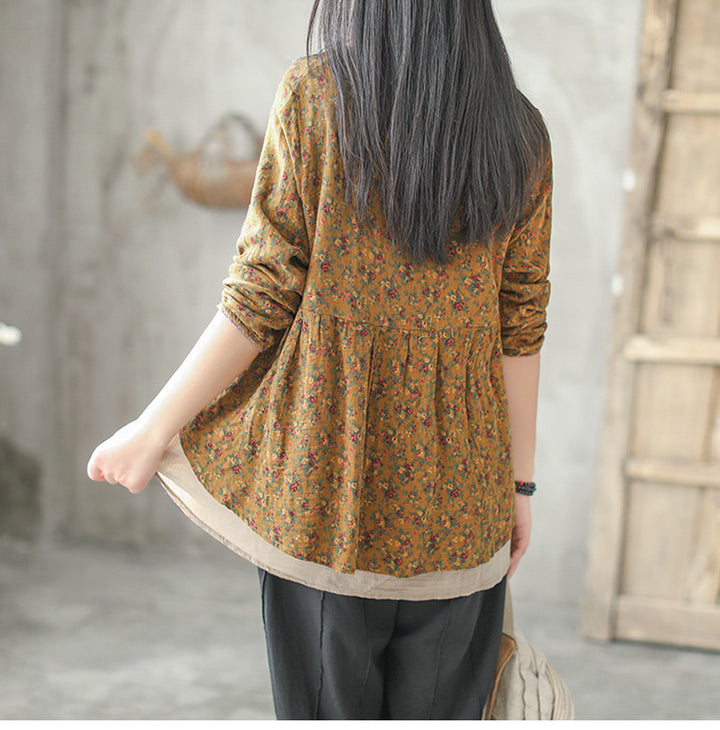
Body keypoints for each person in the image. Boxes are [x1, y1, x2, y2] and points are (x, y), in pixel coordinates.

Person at [87, 0, 552, 720]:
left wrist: (153, 430)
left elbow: (261, 293)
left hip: (325, 491)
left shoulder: (316, 98)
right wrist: (518, 486)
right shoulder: (521, 134)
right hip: (463, 500)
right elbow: (519, 326)